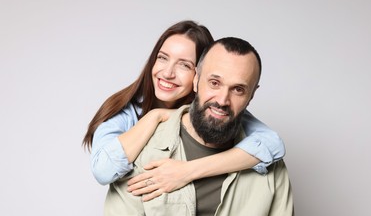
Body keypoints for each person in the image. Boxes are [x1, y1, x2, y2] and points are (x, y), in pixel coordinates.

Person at [104, 37, 297, 216]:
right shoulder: (144, 150)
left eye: (238, 89)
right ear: (196, 79)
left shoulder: (270, 168)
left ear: (251, 95)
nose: (222, 100)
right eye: (214, 83)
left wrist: (187, 172)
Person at [82, 20, 285, 201]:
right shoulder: (126, 111)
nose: (168, 73)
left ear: (199, 76)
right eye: (162, 58)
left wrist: (187, 171)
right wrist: (155, 116)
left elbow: (271, 143)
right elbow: (103, 170)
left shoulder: (214, 110)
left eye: (184, 65)